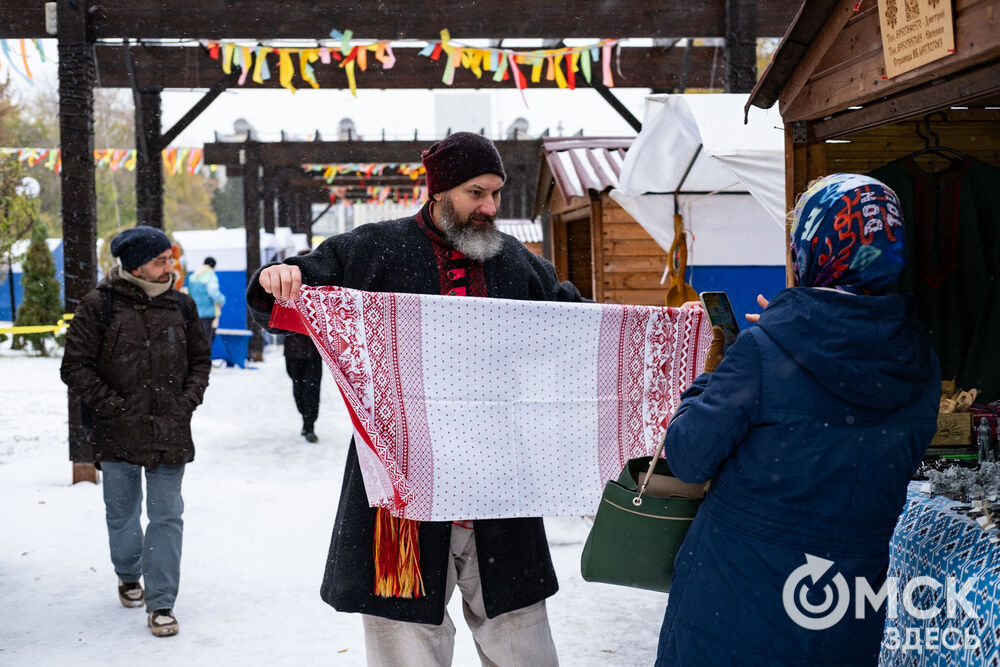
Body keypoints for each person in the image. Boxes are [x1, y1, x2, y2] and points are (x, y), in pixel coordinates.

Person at [247, 132, 584, 666]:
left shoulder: (513, 260)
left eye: (496, 194)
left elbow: (576, 324)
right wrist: (279, 278)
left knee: (521, 641)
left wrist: (663, 333)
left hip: (497, 485)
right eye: (477, 193)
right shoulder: (372, 248)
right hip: (400, 485)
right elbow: (286, 298)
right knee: (405, 644)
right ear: (440, 190)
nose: (490, 207)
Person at [656, 174, 940, 666]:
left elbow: (686, 457)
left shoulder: (764, 353)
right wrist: (788, 335)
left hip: (735, 605)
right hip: (841, 613)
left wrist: (718, 374)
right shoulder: (921, 361)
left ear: (816, 250)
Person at [61, 226, 211, 638]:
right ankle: (128, 574)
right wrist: (114, 407)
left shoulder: (182, 306)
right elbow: (74, 367)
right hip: (116, 431)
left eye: (170, 258)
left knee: (167, 515)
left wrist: (185, 403)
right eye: (160, 259)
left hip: (170, 429)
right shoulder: (99, 306)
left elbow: (201, 361)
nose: (170, 266)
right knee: (122, 513)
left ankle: (161, 602)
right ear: (135, 265)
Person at [285, 251, 323, 443]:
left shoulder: (321, 290)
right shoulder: (288, 290)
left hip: (315, 351)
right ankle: (305, 417)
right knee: (298, 388)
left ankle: (309, 425)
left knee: (312, 390)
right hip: (293, 350)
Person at [187, 256, 226, 350]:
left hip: (195, 313)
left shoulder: (193, 276)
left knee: (196, 340)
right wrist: (222, 300)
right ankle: (205, 362)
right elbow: (213, 292)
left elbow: (190, 293)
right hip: (208, 313)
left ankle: (196, 362)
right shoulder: (211, 276)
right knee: (207, 339)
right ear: (213, 266)